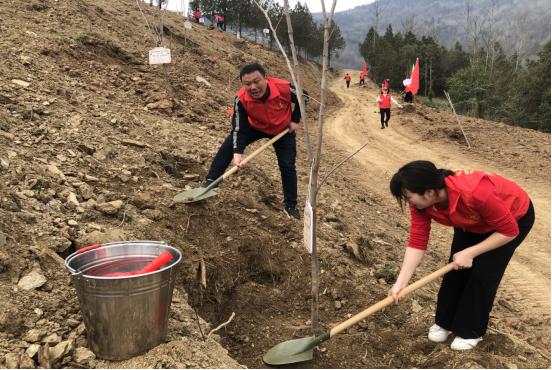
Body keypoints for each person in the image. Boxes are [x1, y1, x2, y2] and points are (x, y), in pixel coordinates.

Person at [389, 161, 534, 351]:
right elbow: (417, 240)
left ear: (429, 191)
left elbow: (509, 230)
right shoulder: (421, 205)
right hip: (471, 220)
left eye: (408, 197)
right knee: (456, 269)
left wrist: (471, 252)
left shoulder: (475, 192)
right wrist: (401, 282)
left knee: (483, 274)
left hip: (512, 220)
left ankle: (471, 331)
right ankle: (445, 323)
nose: (409, 202)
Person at [202, 63, 306, 220]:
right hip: (256, 126)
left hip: (282, 129)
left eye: (257, 81)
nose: (253, 87)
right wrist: (238, 154)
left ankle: (290, 205)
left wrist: (295, 119)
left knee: (287, 166)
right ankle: (211, 180)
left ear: (266, 77)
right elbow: (238, 128)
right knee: (230, 143)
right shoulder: (241, 99)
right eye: (248, 84)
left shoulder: (283, 87)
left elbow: (304, 97)